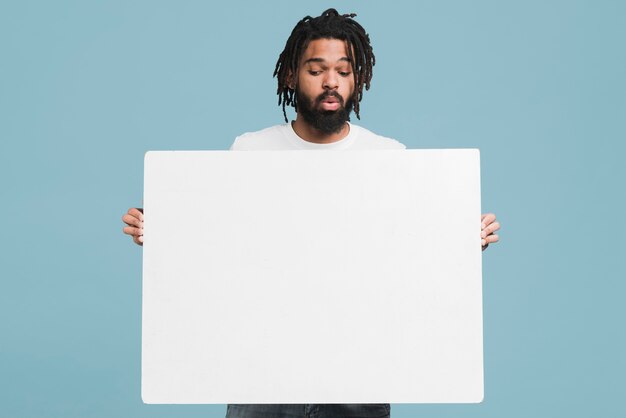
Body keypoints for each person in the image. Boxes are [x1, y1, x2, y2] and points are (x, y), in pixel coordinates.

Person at [122, 8, 500, 418]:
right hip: (261, 378)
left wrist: (460, 243)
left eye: (343, 70)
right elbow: (223, 250)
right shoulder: (251, 151)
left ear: (358, 80)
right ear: (291, 76)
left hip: (359, 378)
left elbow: (407, 264)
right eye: (316, 70)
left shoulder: (389, 158)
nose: (331, 82)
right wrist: (165, 231)